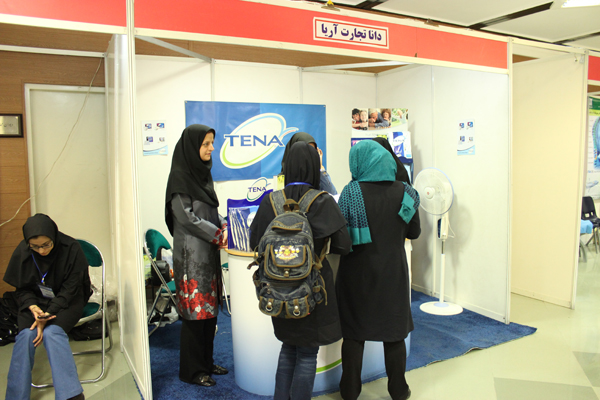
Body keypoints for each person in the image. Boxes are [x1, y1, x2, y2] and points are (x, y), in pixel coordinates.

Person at [250, 141, 352, 400]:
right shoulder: (322, 201)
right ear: (314, 167)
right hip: (313, 290)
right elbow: (344, 245)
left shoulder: (271, 201)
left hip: (276, 290)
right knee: (307, 354)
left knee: (288, 348)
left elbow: (254, 243)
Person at [336, 140, 421, 400]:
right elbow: (414, 232)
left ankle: (350, 391)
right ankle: (398, 390)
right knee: (394, 334)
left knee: (353, 335)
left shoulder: (350, 192)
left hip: (356, 276)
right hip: (393, 274)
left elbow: (340, 240)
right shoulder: (406, 192)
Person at [165, 124, 229, 387]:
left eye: (212, 142)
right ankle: (192, 371)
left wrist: (224, 223)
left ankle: (206, 362)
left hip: (208, 254)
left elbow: (210, 210)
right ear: (192, 147)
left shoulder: (204, 175)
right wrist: (218, 234)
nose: (211, 148)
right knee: (194, 316)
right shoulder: (180, 178)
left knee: (210, 314)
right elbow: (186, 218)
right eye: (205, 144)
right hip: (191, 257)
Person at [4, 213, 91, 400]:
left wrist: (48, 314)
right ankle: (16, 396)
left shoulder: (71, 248)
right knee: (26, 335)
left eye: (46, 245)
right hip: (36, 302)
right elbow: (22, 289)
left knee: (52, 333)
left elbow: (71, 289)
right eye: (35, 247)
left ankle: (70, 396)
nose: (42, 251)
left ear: (54, 236)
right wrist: (32, 306)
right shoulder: (23, 251)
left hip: (67, 301)